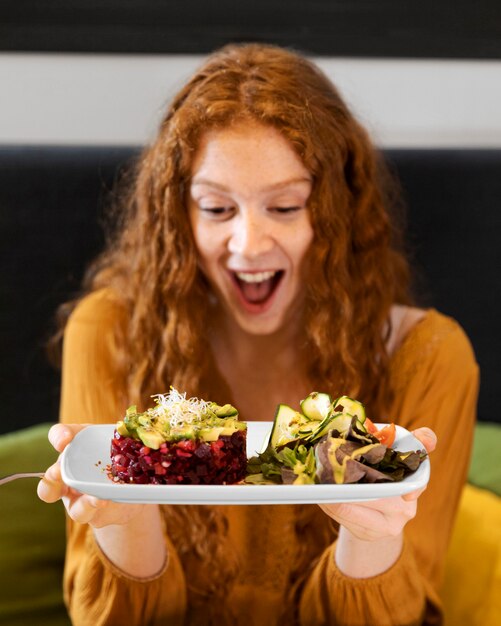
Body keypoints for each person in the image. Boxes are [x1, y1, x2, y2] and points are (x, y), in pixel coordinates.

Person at [37, 43, 478, 626]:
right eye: (217, 209)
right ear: (178, 215)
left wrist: (370, 537)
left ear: (337, 214)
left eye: (287, 206)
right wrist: (129, 517)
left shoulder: (430, 357)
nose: (248, 245)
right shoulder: (108, 332)